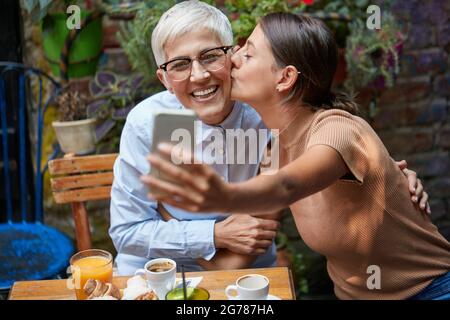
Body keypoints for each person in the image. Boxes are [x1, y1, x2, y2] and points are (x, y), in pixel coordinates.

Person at [142, 12, 449, 299]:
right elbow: (229, 265)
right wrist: (168, 218)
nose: (232, 57)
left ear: (285, 78)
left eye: (247, 54)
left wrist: (222, 196)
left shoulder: (336, 129)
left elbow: (287, 186)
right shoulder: (277, 148)